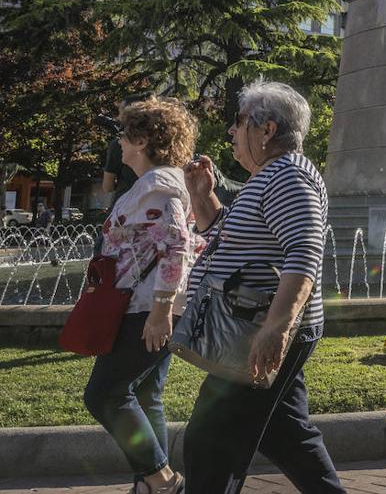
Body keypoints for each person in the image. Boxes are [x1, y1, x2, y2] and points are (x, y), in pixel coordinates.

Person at [182, 80, 342, 494]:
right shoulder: (268, 176)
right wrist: (204, 200)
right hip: (255, 324)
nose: (231, 132)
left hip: (256, 327)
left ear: (266, 129)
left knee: (210, 441)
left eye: (238, 123)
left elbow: (304, 252)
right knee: (286, 435)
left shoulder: (288, 176)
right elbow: (236, 240)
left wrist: (277, 328)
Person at [83, 97, 201, 494]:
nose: (119, 140)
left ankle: (163, 481)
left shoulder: (159, 187)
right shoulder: (153, 185)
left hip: (144, 309)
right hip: (144, 305)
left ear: (144, 139)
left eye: (124, 132)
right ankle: (149, 485)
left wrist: (161, 311)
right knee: (147, 393)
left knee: (105, 394)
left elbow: (178, 246)